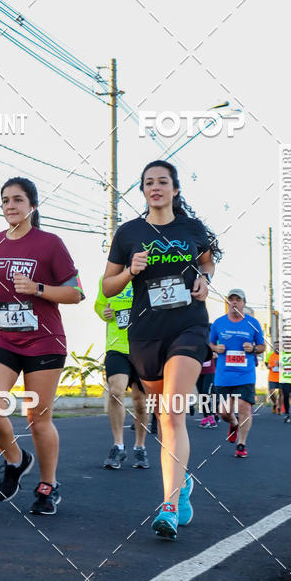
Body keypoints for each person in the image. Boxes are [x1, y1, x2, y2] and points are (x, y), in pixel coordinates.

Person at [102, 159, 221, 540]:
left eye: (163, 182)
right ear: (142, 191)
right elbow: (107, 287)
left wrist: (203, 279)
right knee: (161, 415)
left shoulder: (192, 228)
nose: (156, 187)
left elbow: (207, 263)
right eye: (149, 182)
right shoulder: (129, 233)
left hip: (188, 326)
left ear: (175, 189)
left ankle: (167, 506)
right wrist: (130, 272)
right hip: (145, 333)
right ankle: (182, 482)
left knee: (172, 416)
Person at [0, 177, 84, 515]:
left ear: (32, 206)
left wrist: (38, 288)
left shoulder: (51, 244)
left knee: (37, 420)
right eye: (6, 200)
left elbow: (76, 293)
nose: (11, 205)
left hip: (44, 341)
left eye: (18, 200)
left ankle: (48, 485)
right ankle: (16, 459)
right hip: (2, 337)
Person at [94, 278, 149, 468]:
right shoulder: (108, 280)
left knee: (140, 402)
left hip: (143, 347)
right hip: (117, 347)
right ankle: (118, 445)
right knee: (116, 392)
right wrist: (104, 312)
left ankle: (140, 447)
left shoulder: (147, 276)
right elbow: (99, 305)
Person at [209, 290, 265, 458]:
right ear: (227, 303)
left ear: (244, 303)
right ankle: (234, 423)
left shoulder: (253, 323)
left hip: (245, 374)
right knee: (224, 412)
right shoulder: (218, 323)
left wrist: (254, 349)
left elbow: (262, 346)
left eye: (237, 300)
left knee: (244, 407)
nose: (234, 303)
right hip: (224, 374)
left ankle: (241, 444)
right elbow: (210, 343)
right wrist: (215, 348)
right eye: (231, 300)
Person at [196, 356, 217, 428]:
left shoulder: (210, 344)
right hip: (198, 370)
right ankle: (205, 416)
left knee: (205, 392)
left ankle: (210, 415)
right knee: (201, 394)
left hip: (209, 371)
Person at [265, 342, 281, 415]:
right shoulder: (270, 354)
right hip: (272, 377)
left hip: (282, 377)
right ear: (274, 346)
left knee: (281, 393)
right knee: (271, 393)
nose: (277, 347)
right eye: (276, 346)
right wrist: (268, 366)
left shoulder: (284, 355)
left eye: (279, 346)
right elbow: (266, 363)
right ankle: (275, 403)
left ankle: (279, 407)